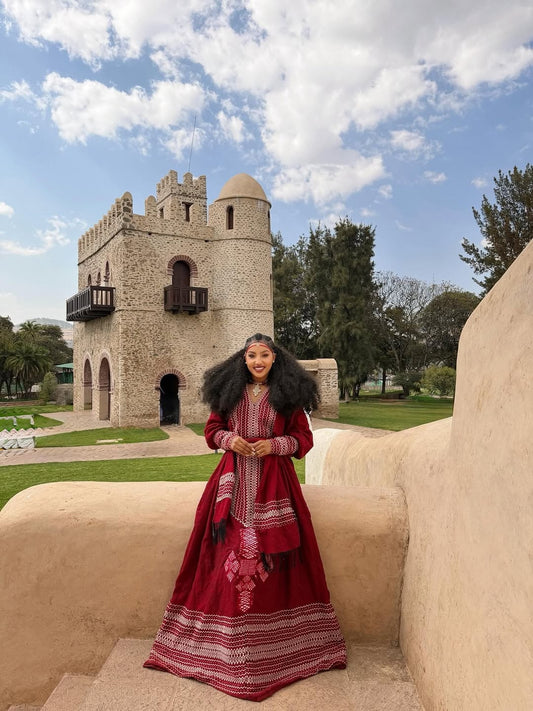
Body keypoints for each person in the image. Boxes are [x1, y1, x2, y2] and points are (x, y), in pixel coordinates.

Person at [144, 334, 346, 701]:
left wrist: (274, 445)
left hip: (277, 487)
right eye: (251, 355)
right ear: (243, 360)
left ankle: (278, 653)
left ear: (274, 359)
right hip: (229, 487)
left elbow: (304, 439)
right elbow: (210, 431)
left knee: (278, 563)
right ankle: (221, 650)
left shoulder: (287, 397)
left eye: (264, 355)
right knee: (221, 561)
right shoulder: (230, 394)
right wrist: (228, 440)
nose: (257, 361)